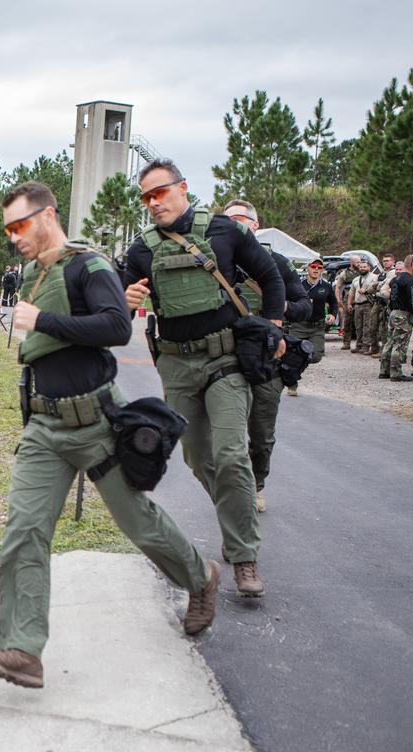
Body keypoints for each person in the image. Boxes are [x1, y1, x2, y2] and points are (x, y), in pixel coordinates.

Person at [0, 181, 219, 690]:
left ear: (48, 215)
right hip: (44, 427)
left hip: (98, 425)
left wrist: (46, 321)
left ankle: (200, 578)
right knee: (24, 532)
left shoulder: (88, 265)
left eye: (20, 225)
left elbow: (114, 327)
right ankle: (21, 650)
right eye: (8, 229)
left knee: (139, 523)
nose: (14, 237)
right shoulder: (33, 277)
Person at [121, 160, 285, 598]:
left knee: (232, 455)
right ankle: (238, 515)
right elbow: (114, 301)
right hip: (175, 365)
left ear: (182, 188)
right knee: (197, 457)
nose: (154, 203)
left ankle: (244, 555)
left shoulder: (225, 232)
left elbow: (270, 276)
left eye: (161, 192)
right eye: (147, 197)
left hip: (226, 360)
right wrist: (126, 295)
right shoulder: (141, 250)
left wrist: (274, 326)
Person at [221, 199, 311, 512]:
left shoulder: (277, 263)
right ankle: (233, 489)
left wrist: (278, 305)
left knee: (260, 434)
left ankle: (257, 485)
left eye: (239, 219)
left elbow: (306, 306)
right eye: (227, 219)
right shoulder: (217, 260)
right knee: (225, 435)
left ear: (255, 225)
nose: (233, 225)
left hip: (266, 361)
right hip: (225, 358)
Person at [380, 254, 413, 381]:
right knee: (400, 343)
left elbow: (392, 297)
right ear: (412, 265)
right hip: (403, 314)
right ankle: (396, 373)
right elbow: (412, 301)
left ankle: (384, 370)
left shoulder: (395, 280)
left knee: (390, 341)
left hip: (393, 313)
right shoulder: (409, 281)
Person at [370, 253, 396, 355]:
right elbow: (372, 287)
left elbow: (382, 285)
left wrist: (377, 284)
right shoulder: (381, 273)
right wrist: (376, 284)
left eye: (388, 260)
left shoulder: (393, 272)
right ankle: (375, 348)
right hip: (377, 301)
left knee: (384, 327)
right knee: (372, 325)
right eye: (384, 261)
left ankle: (384, 351)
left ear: (393, 261)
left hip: (386, 302)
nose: (385, 262)